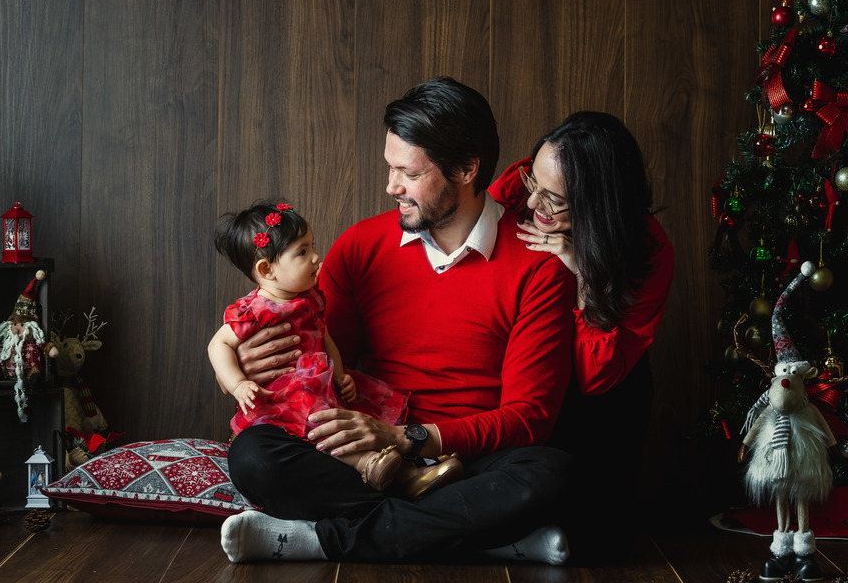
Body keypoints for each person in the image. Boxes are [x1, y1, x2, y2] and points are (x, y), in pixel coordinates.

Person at [219, 77, 578, 565]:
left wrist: (413, 438)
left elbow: (528, 417)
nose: (391, 187)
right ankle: (487, 537)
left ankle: (325, 540)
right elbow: (317, 367)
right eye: (390, 169)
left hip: (467, 459)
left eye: (407, 173)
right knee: (253, 454)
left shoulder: (538, 266)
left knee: (550, 473)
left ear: (467, 169)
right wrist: (250, 362)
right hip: (367, 460)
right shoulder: (359, 248)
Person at [487, 110, 674, 552]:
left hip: (603, 388)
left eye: (554, 199)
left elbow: (596, 378)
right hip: (524, 354)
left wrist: (580, 279)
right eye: (535, 185)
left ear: (599, 202)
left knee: (593, 534)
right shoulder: (525, 186)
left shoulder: (647, 248)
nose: (533, 205)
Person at [208, 200, 410, 491]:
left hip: (321, 388)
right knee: (316, 422)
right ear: (267, 270)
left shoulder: (311, 298)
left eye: (313, 246)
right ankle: (366, 463)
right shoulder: (256, 311)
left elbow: (326, 340)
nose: (317, 257)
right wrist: (238, 383)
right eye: (303, 252)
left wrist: (340, 375)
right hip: (285, 400)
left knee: (347, 418)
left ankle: (398, 468)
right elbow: (218, 346)